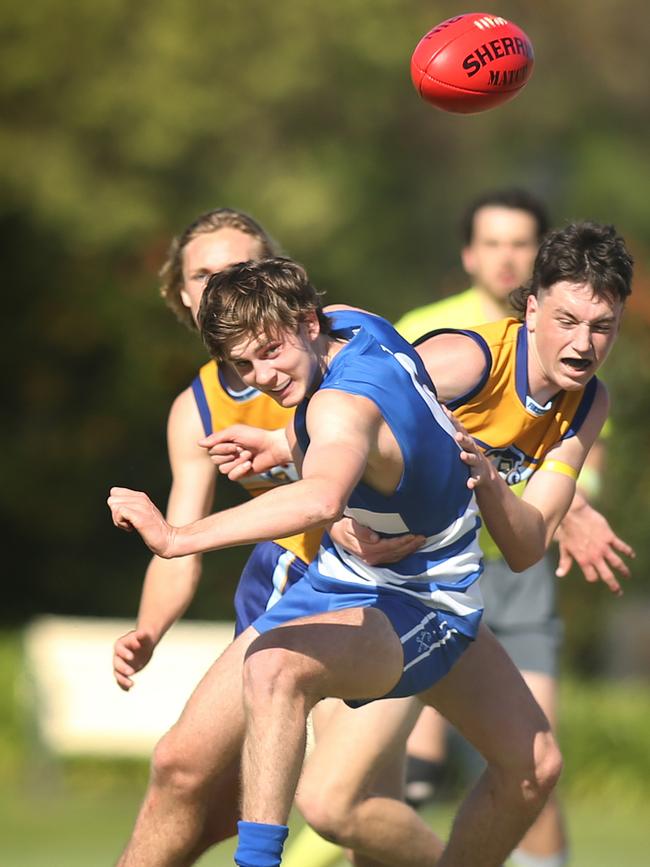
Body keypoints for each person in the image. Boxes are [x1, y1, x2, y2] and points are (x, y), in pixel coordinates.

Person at [109, 225, 632, 866]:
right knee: (186, 762)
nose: (582, 344)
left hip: (422, 589)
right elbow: (350, 440)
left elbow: (513, 538)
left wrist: (491, 484)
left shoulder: (578, 402)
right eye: (566, 320)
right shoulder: (446, 357)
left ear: (305, 320)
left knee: (342, 793)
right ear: (530, 309)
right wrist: (295, 458)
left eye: (600, 325)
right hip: (338, 569)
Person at [396, 191, 631, 867]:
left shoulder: (584, 378)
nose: (507, 257)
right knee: (387, 781)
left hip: (510, 573)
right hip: (413, 571)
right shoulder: (449, 340)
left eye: (520, 242)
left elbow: (573, 470)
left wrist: (569, 507)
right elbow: (359, 421)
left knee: (533, 767)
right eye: (493, 243)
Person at [111, 209, 335, 867]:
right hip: (293, 582)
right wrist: (147, 631)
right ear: (182, 294)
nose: (216, 285)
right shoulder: (198, 408)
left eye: (234, 269)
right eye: (201, 274)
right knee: (183, 770)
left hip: (388, 582)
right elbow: (181, 540)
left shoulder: (334, 343)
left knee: (345, 806)